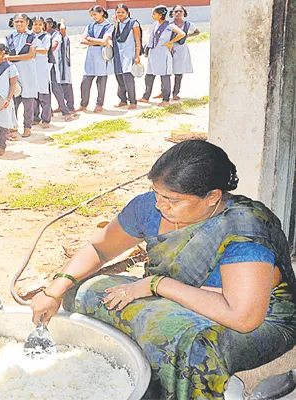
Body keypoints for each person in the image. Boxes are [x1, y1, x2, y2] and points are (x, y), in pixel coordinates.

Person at [30, 140, 296, 399]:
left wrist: (158, 285)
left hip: (256, 319)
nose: (160, 205)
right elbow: (99, 249)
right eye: (157, 193)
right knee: (82, 291)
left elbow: (243, 317)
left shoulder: (243, 227)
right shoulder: (150, 207)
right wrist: (53, 291)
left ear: (213, 197)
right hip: (175, 298)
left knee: (190, 345)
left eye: (172, 200)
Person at [139, 5, 186, 106]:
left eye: (154, 14)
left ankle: (165, 100)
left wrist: (170, 42)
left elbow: (182, 34)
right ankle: (145, 97)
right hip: (153, 52)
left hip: (163, 52)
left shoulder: (169, 25)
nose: (152, 16)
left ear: (160, 15)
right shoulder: (155, 24)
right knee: (149, 76)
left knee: (164, 76)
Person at [154, 5, 200, 101]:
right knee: (165, 71)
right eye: (176, 11)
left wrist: (188, 36)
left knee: (178, 73)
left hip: (181, 49)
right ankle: (164, 92)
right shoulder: (169, 24)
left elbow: (197, 32)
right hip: (169, 48)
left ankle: (175, 93)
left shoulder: (188, 24)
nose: (178, 13)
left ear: (184, 13)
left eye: (180, 11)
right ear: (172, 13)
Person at [6, 13, 39, 139]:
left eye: (22, 22)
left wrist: (11, 58)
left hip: (28, 71)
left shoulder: (32, 37)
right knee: (13, 99)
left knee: (28, 101)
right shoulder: (9, 37)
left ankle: (27, 127)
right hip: (14, 70)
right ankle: (13, 125)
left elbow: (30, 55)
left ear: (27, 23)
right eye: (17, 21)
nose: (19, 24)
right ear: (13, 23)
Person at [78, 6, 114, 113]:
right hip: (90, 55)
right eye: (92, 15)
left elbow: (104, 42)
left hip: (101, 55)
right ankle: (83, 104)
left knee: (101, 82)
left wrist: (90, 39)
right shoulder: (90, 26)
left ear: (101, 13)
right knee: (85, 82)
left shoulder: (109, 26)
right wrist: (97, 41)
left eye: (95, 14)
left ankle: (99, 104)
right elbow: (82, 40)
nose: (93, 17)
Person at [112, 4, 142, 109]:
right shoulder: (116, 24)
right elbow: (114, 37)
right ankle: (123, 100)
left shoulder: (133, 23)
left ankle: (133, 101)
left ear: (127, 12)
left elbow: (137, 40)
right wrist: (115, 24)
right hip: (117, 53)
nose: (120, 14)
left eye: (122, 12)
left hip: (129, 53)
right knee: (119, 77)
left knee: (128, 77)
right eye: (118, 12)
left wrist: (137, 56)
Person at [31, 15, 53, 128]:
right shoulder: (28, 36)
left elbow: (44, 50)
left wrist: (31, 50)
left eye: (40, 24)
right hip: (30, 67)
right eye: (35, 24)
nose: (37, 27)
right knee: (33, 94)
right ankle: (35, 118)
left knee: (44, 94)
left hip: (42, 68)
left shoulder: (46, 36)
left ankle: (46, 119)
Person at [55, 20, 77, 118]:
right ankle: (61, 106)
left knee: (67, 87)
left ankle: (71, 107)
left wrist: (62, 21)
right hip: (58, 65)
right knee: (59, 88)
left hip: (64, 66)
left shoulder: (63, 37)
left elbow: (62, 30)